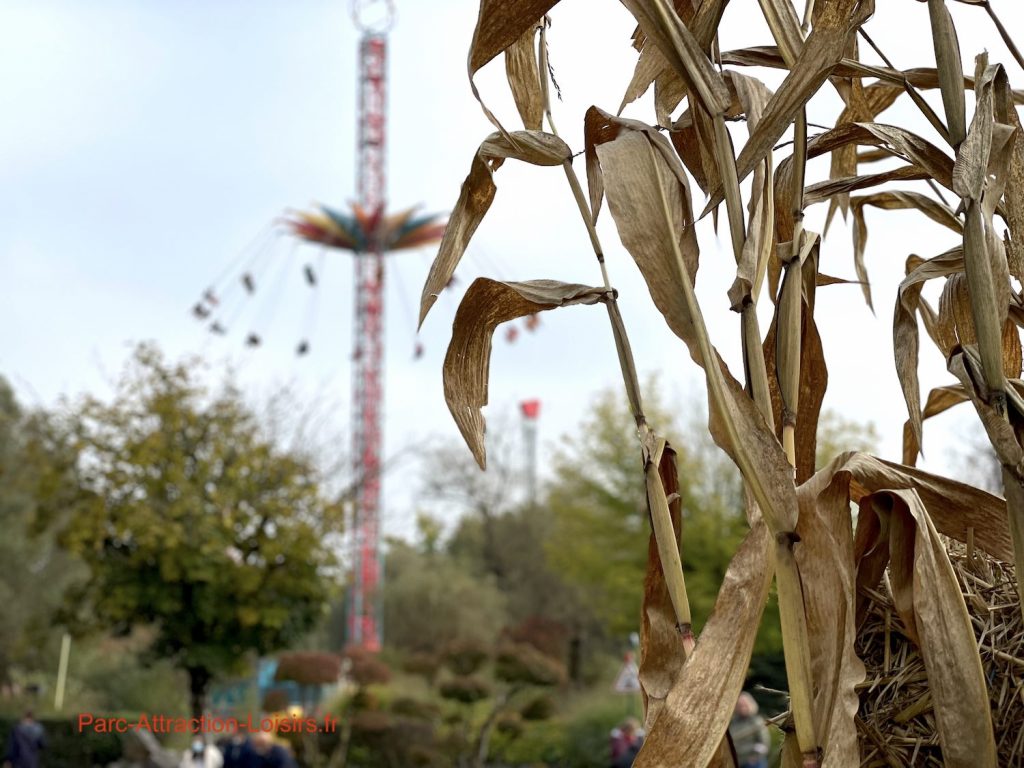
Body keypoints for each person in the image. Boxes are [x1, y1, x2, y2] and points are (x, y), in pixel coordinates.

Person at [729, 692, 770, 768]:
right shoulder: (733, 723)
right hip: (738, 762)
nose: (742, 707)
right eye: (740, 705)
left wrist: (755, 756)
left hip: (753, 762)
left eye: (745, 704)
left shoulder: (756, 721)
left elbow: (764, 744)